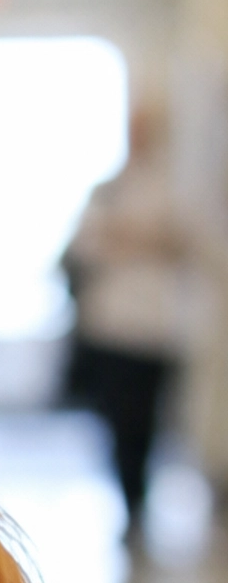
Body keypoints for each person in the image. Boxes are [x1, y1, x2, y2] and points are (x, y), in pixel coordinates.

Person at [64, 107, 206, 541]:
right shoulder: (107, 189)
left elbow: (191, 244)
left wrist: (137, 239)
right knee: (117, 422)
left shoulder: (175, 188)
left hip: (157, 330)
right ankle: (129, 506)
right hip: (111, 329)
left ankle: (140, 503)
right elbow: (84, 248)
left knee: (149, 422)